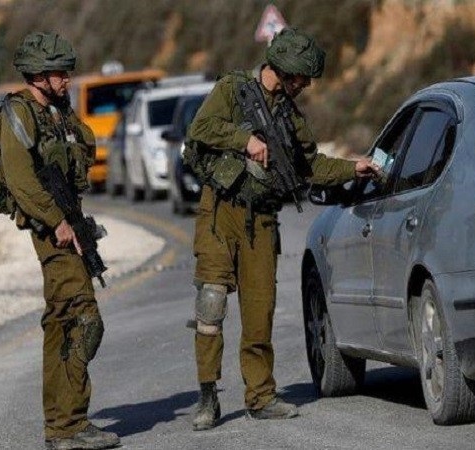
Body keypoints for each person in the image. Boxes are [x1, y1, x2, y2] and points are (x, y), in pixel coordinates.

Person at [184, 27, 381, 431]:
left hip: (261, 220)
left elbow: (311, 167)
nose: (306, 86)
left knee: (260, 312)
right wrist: (244, 140)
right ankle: (207, 397)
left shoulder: (291, 117)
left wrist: (352, 168)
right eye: (303, 78)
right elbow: (200, 129)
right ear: (285, 70)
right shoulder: (232, 89)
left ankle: (260, 396)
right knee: (211, 303)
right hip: (221, 212)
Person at [0, 32, 119, 450]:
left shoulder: (55, 112)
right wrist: (56, 222)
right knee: (85, 322)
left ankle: (61, 426)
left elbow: (86, 147)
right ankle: (70, 425)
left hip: (70, 224)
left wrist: (65, 113)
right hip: (52, 234)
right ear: (38, 75)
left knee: (60, 326)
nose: (68, 80)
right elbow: (20, 180)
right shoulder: (18, 115)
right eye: (60, 74)